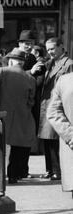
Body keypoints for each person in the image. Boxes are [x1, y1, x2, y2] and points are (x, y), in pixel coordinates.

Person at [30, 38, 73, 181]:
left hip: (57, 106)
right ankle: (50, 169)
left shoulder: (68, 64)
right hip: (46, 106)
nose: (50, 52)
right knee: (47, 140)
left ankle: (57, 171)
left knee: (54, 140)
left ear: (61, 47)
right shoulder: (50, 63)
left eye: (52, 49)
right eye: (48, 49)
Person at [0, 48, 36, 184]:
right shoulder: (30, 78)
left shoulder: (2, 71)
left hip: (2, 113)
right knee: (18, 146)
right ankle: (13, 175)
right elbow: (31, 101)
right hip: (22, 115)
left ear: (10, 60)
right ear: (22, 62)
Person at [47, 73, 73, 198]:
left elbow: (53, 112)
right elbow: (53, 112)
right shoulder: (64, 81)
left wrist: (70, 135)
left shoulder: (64, 81)